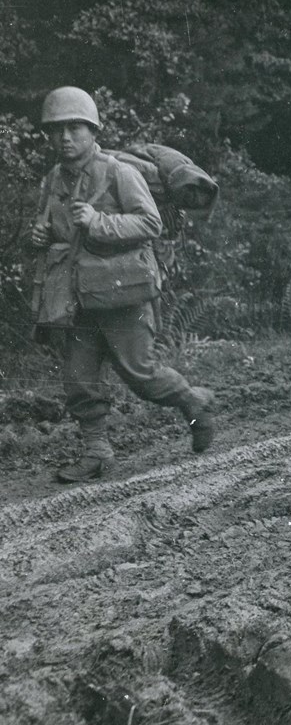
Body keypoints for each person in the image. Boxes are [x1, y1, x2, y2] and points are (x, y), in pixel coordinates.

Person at [25, 87, 217, 483]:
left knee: (142, 378)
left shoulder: (118, 172)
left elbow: (150, 224)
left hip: (121, 294)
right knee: (78, 380)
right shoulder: (52, 181)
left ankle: (195, 404)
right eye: (56, 130)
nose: (65, 138)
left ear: (93, 131)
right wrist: (40, 237)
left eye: (74, 128)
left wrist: (98, 222)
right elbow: (54, 233)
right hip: (76, 298)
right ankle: (96, 452)